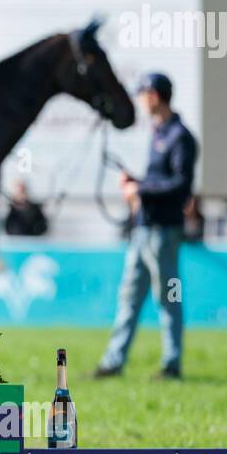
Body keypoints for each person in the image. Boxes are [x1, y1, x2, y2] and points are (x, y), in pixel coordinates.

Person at [95, 73, 199, 381]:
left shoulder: (180, 137)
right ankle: (113, 361)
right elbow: (161, 181)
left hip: (164, 230)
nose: (140, 100)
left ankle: (172, 363)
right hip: (143, 229)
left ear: (154, 95)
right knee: (128, 297)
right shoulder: (158, 133)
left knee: (168, 299)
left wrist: (139, 189)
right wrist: (138, 184)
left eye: (142, 93)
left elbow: (181, 186)